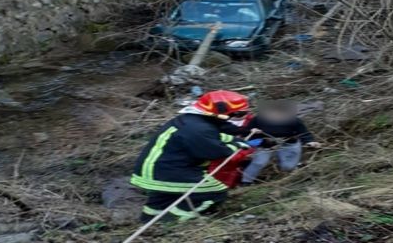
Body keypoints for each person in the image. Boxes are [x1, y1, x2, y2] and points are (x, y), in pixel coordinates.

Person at [131, 90, 252, 222]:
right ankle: (174, 220)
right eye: (238, 114)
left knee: (165, 197)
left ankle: (148, 218)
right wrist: (238, 145)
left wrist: (240, 135)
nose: (239, 116)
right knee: (215, 191)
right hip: (165, 172)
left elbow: (215, 134)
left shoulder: (195, 119)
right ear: (221, 113)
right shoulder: (198, 128)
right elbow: (215, 151)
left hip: (154, 170)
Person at [238, 100, 321, 184]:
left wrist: (310, 141)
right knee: (258, 163)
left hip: (288, 143)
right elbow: (247, 132)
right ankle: (246, 181)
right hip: (266, 144)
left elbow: (303, 132)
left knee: (287, 166)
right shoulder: (258, 119)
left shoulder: (294, 120)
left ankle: (297, 167)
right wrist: (253, 131)